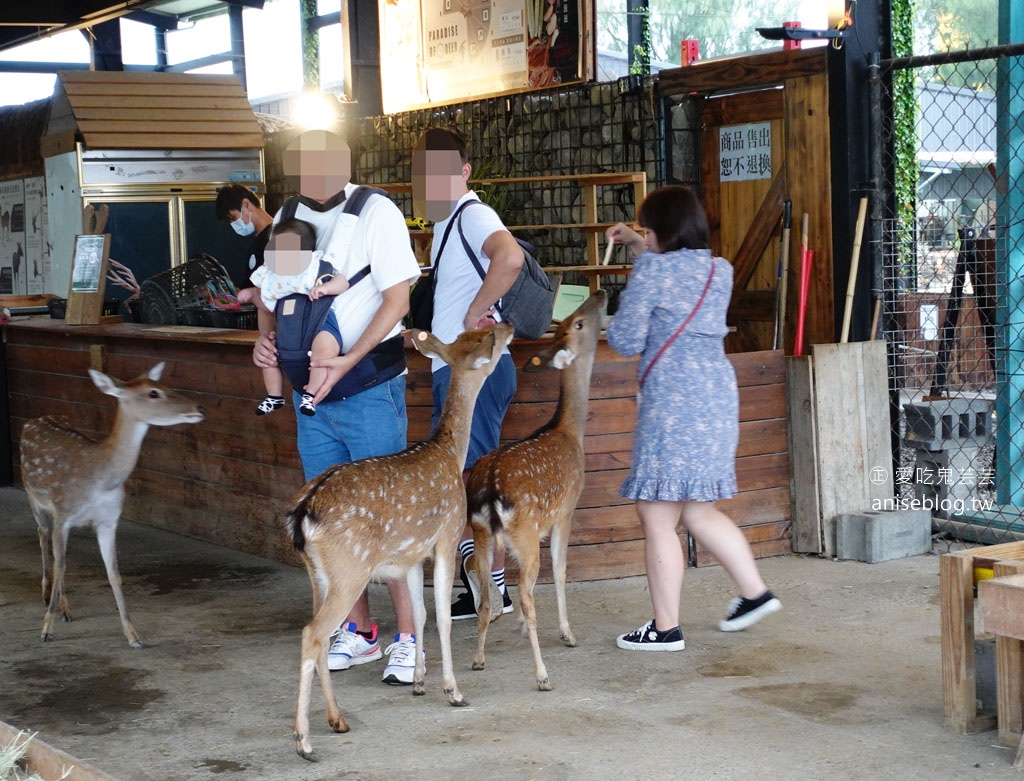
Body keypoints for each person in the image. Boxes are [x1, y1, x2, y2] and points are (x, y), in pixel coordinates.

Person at [253, 130, 422, 683]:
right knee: (329, 519)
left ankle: (409, 638)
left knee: (386, 515)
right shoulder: (289, 212)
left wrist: (352, 358)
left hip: (368, 387)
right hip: (311, 398)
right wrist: (266, 341)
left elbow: (398, 296)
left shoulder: (375, 210)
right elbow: (278, 291)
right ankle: (360, 631)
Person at [605, 185, 781, 652]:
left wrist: (636, 264)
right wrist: (641, 244)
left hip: (673, 403)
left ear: (662, 231)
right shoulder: (718, 270)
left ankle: (665, 628)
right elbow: (674, 272)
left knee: (657, 513)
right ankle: (754, 592)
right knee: (698, 507)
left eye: (648, 229)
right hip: (717, 397)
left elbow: (624, 339)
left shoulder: (651, 272)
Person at [411, 127, 523, 620]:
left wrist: (475, 312)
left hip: (473, 374)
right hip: (456, 370)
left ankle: (492, 589)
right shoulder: (446, 221)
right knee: (461, 482)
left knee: (472, 485)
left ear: (463, 171)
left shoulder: (475, 215)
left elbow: (511, 256)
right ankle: (480, 584)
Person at [238, 218, 350, 417]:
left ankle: (311, 393)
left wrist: (326, 288)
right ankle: (274, 395)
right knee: (270, 356)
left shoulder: (315, 266)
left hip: (320, 320)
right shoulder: (272, 276)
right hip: (289, 325)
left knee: (323, 350)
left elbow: (342, 282)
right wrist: (254, 297)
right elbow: (269, 305)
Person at [216, 185, 279, 413]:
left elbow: (274, 292)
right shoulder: (257, 243)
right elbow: (247, 291)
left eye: (233, 218)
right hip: (266, 337)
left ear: (246, 204)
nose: (235, 225)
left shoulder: (278, 237)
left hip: (280, 333)